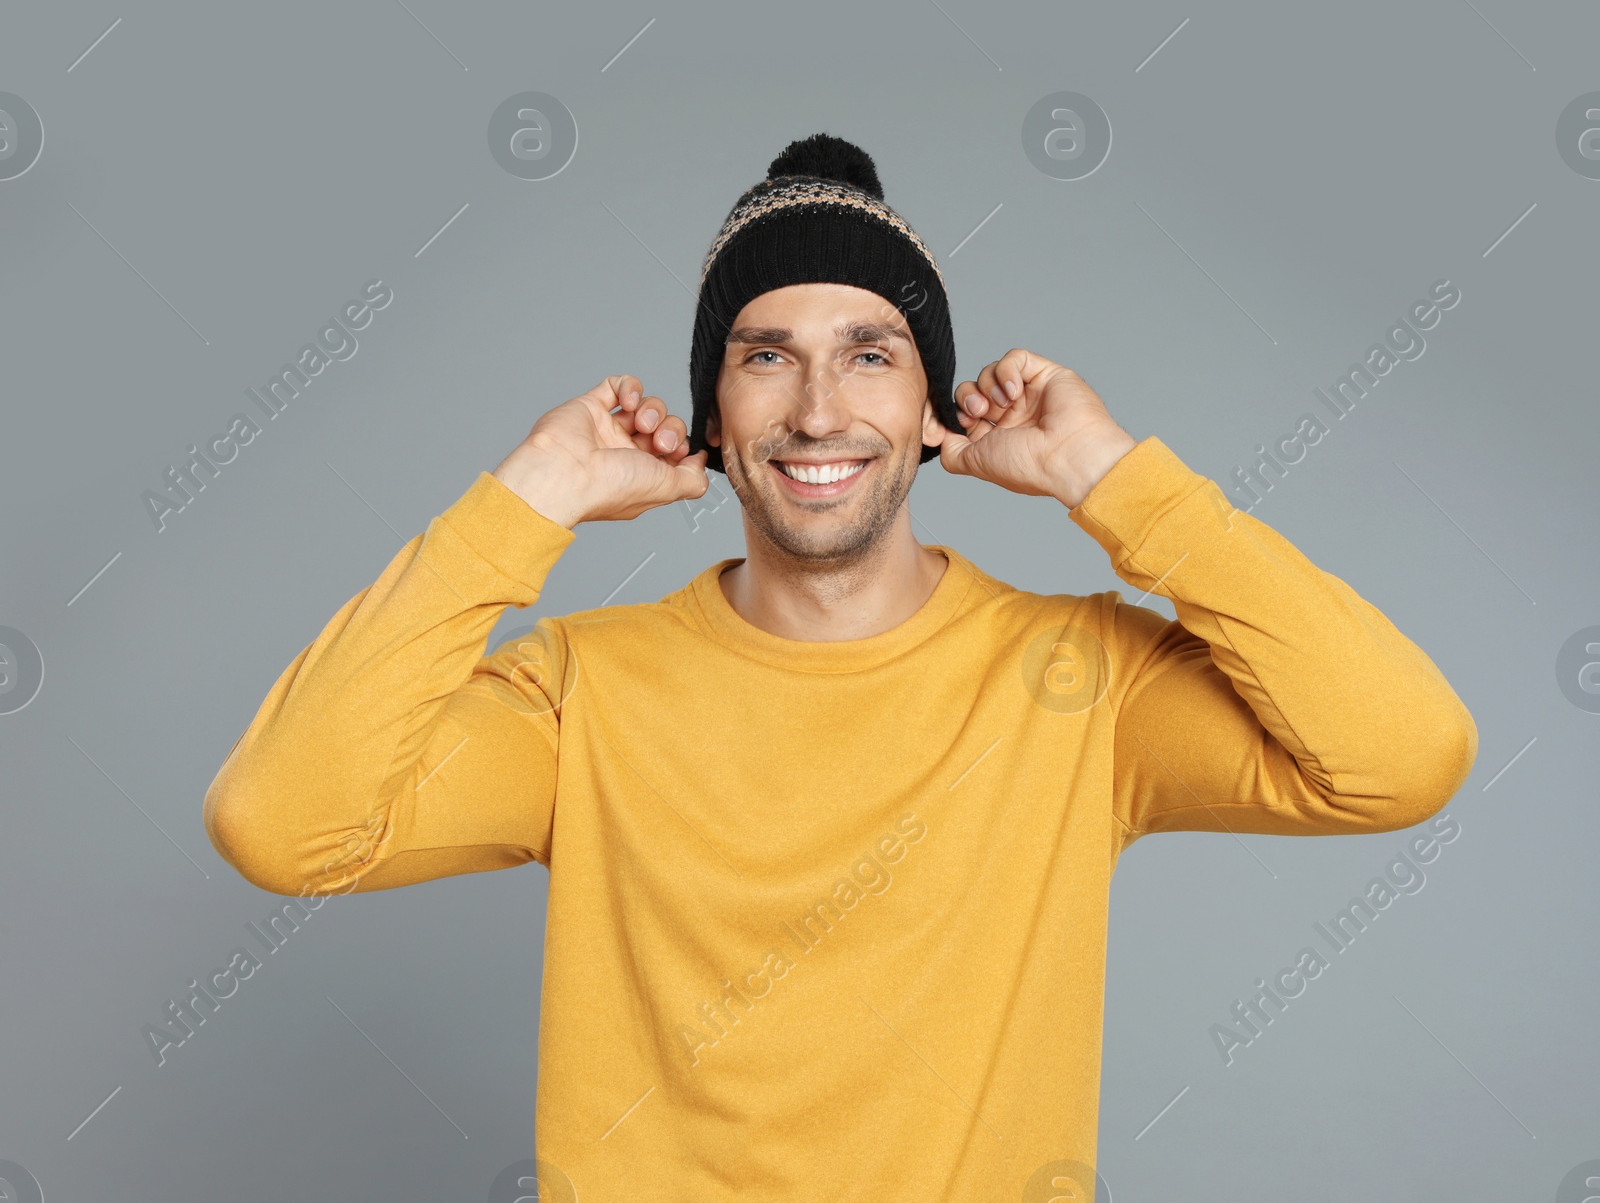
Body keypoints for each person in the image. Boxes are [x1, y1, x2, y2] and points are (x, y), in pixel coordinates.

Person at [204, 134, 1478, 1201]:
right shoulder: (580, 692)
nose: (817, 409)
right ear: (713, 411)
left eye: (869, 352)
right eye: (765, 355)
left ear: (934, 407)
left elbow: (1403, 757)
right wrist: (525, 497)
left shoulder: (1076, 677)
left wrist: (1119, 483)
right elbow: (283, 824)